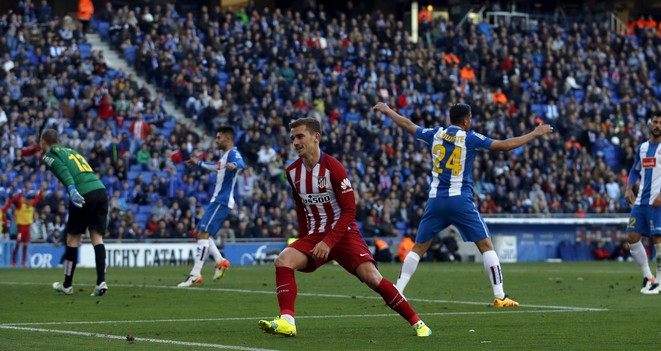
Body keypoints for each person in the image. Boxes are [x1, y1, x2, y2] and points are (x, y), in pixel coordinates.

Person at [258, 118, 431, 337]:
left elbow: (350, 212)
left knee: (372, 278)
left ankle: (418, 323)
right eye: (292, 138)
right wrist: (305, 241)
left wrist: (328, 242)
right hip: (316, 236)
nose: (295, 142)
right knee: (283, 260)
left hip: (344, 234)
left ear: (315, 137)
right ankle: (287, 321)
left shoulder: (334, 168)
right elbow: (301, 210)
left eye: (300, 136)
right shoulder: (292, 172)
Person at [373, 102, 553, 307]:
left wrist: (388, 110)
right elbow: (505, 145)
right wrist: (534, 133)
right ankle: (500, 296)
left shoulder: (436, 134)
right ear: (466, 120)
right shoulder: (470, 138)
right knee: (486, 246)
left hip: (436, 201)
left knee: (418, 247)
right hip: (460, 201)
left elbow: (407, 124)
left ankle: (398, 290)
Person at [41, 129, 109, 296]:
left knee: (72, 239)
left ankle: (67, 285)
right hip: (100, 190)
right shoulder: (72, 151)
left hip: (83, 192)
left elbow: (63, 172)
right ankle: (101, 282)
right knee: (96, 237)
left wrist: (71, 189)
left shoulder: (50, 154)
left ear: (43, 142)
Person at [177, 126, 245, 287]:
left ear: (228, 139)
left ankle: (195, 274)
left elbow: (241, 162)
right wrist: (199, 163)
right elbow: (215, 166)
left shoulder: (233, 154)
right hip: (217, 200)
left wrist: (235, 165)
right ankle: (221, 261)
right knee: (199, 232)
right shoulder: (224, 157)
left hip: (222, 201)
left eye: (219, 138)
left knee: (203, 234)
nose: (216, 140)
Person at [625, 111, 661, 295]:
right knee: (632, 237)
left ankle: (660, 283)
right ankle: (649, 277)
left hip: (658, 202)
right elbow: (635, 170)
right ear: (650, 125)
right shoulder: (642, 148)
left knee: (658, 238)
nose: (657, 125)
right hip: (641, 201)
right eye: (655, 122)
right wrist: (628, 188)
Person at [2, 187, 44, 267]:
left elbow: (37, 199)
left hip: (27, 228)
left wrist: (40, 192)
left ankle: (23, 261)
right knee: (18, 244)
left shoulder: (32, 205)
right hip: (20, 227)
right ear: (26, 200)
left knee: (25, 245)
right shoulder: (21, 206)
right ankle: (13, 260)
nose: (32, 201)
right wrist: (21, 192)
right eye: (30, 200)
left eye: (32, 200)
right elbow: (17, 200)